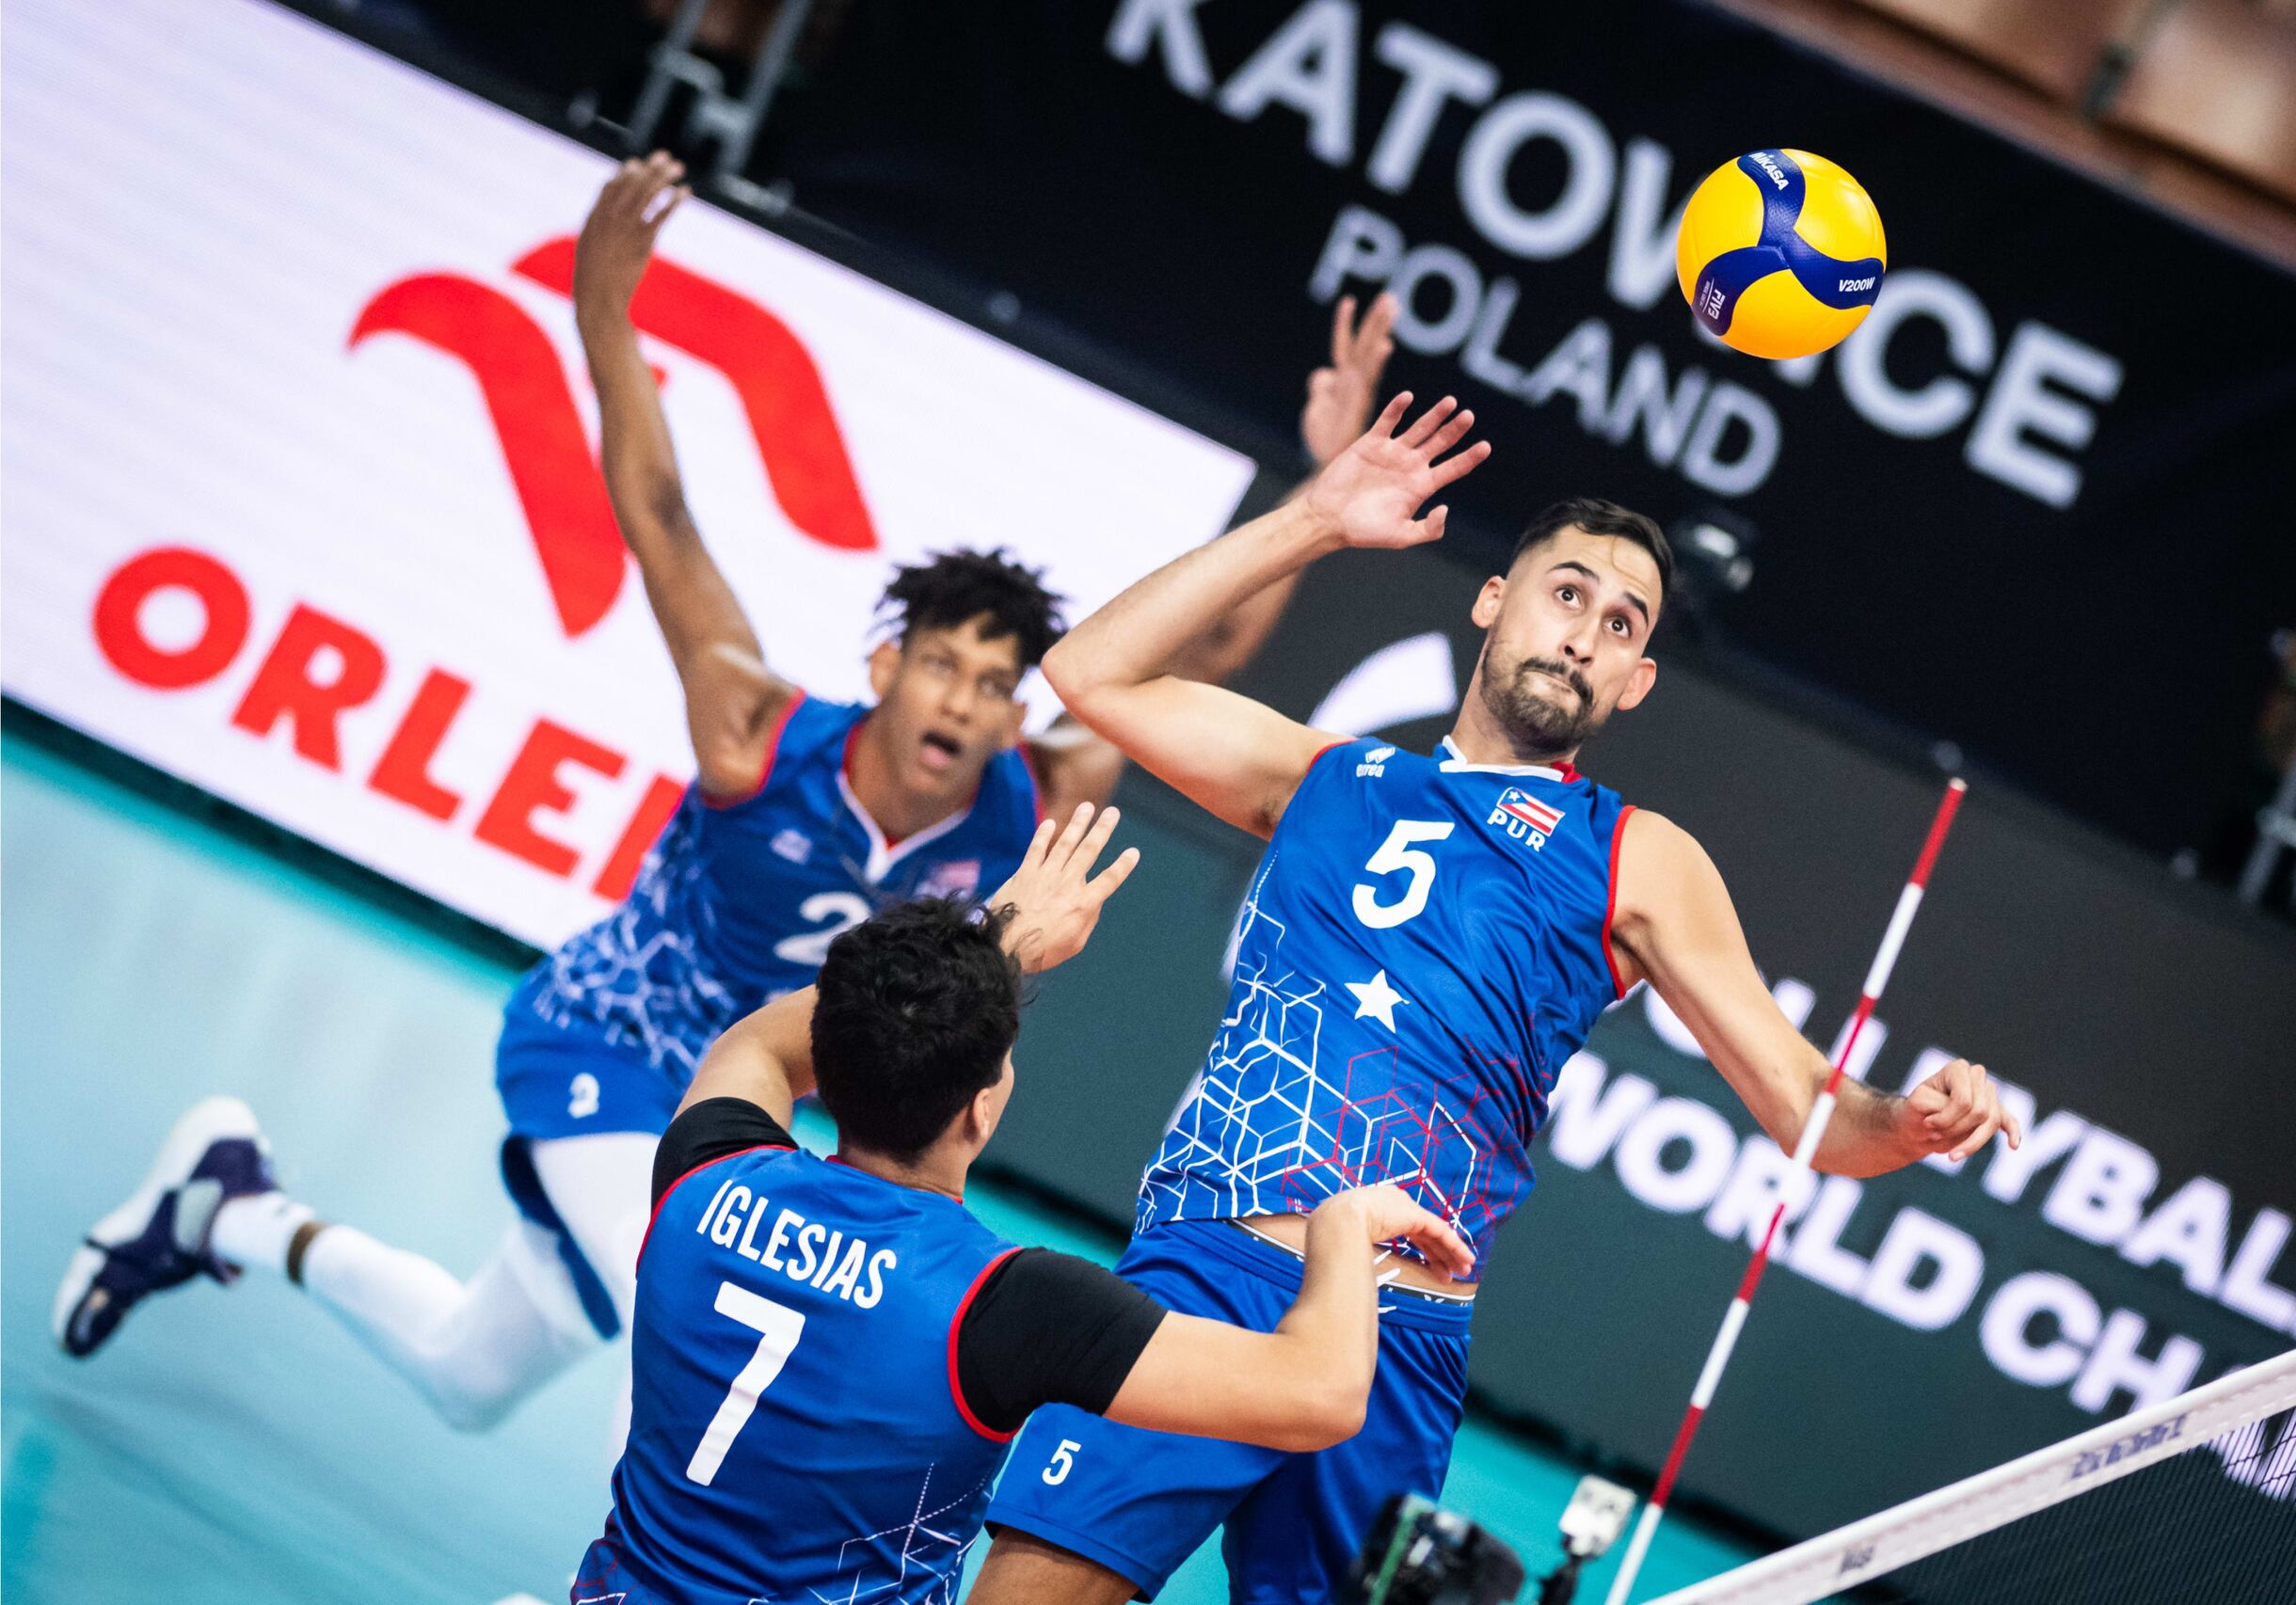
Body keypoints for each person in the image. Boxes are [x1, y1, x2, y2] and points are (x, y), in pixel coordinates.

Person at [48, 154, 1395, 1438]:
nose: (964, 702)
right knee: (681, 1319)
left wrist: (1317, 492)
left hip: (750, 1110)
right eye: (940, 666)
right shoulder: (756, 733)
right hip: (612, 1045)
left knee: (467, 1369)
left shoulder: (1020, 795)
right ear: (888, 666)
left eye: (994, 683)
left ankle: (225, 1208)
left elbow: (1210, 654)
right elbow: (660, 511)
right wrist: (602, 306)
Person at [970, 394, 2026, 1604]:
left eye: (1619, 622)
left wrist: (1909, 1120)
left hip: (1394, 1340)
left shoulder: (1637, 856)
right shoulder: (1325, 775)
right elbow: (1087, 670)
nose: (1583, 633)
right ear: (1492, 600)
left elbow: (1809, 1113)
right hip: (1214, 1266)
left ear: (1636, 680)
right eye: (1564, 592)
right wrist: (1310, 519)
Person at [575, 802, 1474, 1605]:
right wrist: (1345, 1226)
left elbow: (761, 1045)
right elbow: (1322, 1396)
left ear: (836, 1065)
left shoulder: (705, 1173)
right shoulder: (1003, 1305)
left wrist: (990, 940)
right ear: (982, 1106)